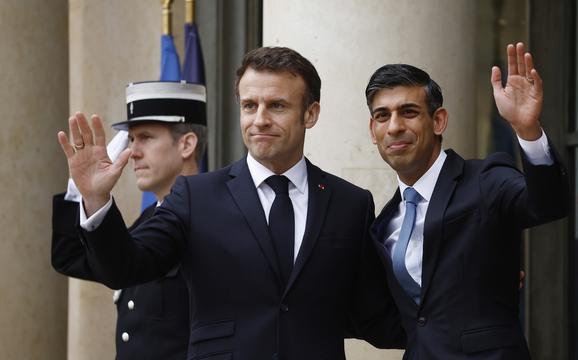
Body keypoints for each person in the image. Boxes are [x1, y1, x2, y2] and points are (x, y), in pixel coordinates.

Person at [57, 47, 403, 360]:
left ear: (310, 114)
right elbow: (127, 267)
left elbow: (371, 315)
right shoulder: (195, 196)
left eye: (277, 106)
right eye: (250, 106)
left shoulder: (350, 203)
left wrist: (448, 333)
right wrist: (97, 198)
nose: (260, 119)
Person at [366, 42, 570, 359]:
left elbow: (547, 204)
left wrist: (527, 130)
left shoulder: (485, 180)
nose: (395, 126)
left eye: (409, 112)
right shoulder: (383, 224)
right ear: (373, 129)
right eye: (383, 116)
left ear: (438, 121)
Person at [51, 81, 208, 359]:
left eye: (145, 137)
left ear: (186, 144)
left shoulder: (212, 215)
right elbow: (69, 256)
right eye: (130, 139)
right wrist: (83, 190)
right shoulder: (151, 218)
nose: (132, 152)